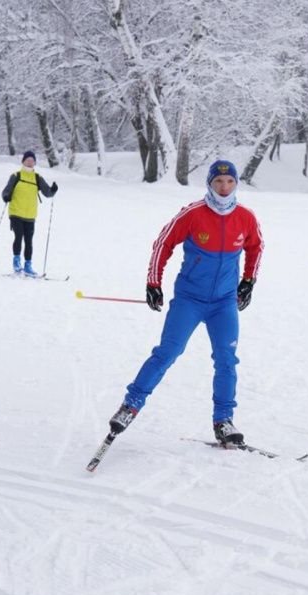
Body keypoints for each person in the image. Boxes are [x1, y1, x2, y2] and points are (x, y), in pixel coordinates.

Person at [107, 159, 263, 446]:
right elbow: (163, 244)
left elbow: (256, 247)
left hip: (224, 303)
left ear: (236, 184)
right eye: (218, 182)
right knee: (167, 352)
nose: (224, 188)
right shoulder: (193, 214)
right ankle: (130, 406)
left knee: (227, 360)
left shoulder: (246, 217)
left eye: (229, 182)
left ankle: (223, 421)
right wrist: (153, 283)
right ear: (210, 183)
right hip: (190, 299)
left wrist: (248, 281)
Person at [1, 150, 58, 276]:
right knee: (18, 236)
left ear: (35, 163)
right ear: (23, 161)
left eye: (32, 160)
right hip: (16, 212)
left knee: (29, 241)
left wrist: (53, 190)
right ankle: (16, 262)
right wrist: (6, 196)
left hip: (30, 215)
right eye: (28, 160)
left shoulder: (37, 178)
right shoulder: (16, 176)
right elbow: (6, 190)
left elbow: (47, 193)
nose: (30, 162)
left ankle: (28, 266)